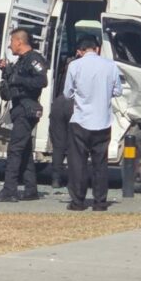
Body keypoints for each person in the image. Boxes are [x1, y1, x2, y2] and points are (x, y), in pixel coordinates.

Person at [63, 35, 122, 211]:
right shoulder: (111, 66)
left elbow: (67, 93)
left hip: (80, 120)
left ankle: (78, 201)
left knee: (78, 163)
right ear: (97, 49)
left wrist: (78, 97)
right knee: (100, 163)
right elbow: (118, 91)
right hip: (103, 121)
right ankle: (100, 201)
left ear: (80, 51)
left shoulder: (74, 65)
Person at [0, 28, 48, 203]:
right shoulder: (20, 61)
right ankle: (31, 189)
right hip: (18, 107)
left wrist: (19, 80)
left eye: (11, 41)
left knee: (14, 150)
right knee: (25, 151)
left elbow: (41, 81)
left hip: (26, 108)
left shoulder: (34, 59)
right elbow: (11, 82)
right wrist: (6, 70)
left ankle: (9, 191)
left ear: (19, 42)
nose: (10, 45)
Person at [48, 50, 79, 189]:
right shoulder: (85, 65)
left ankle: (56, 178)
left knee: (58, 145)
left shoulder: (68, 63)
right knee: (74, 145)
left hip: (60, 102)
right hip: (74, 103)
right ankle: (73, 179)